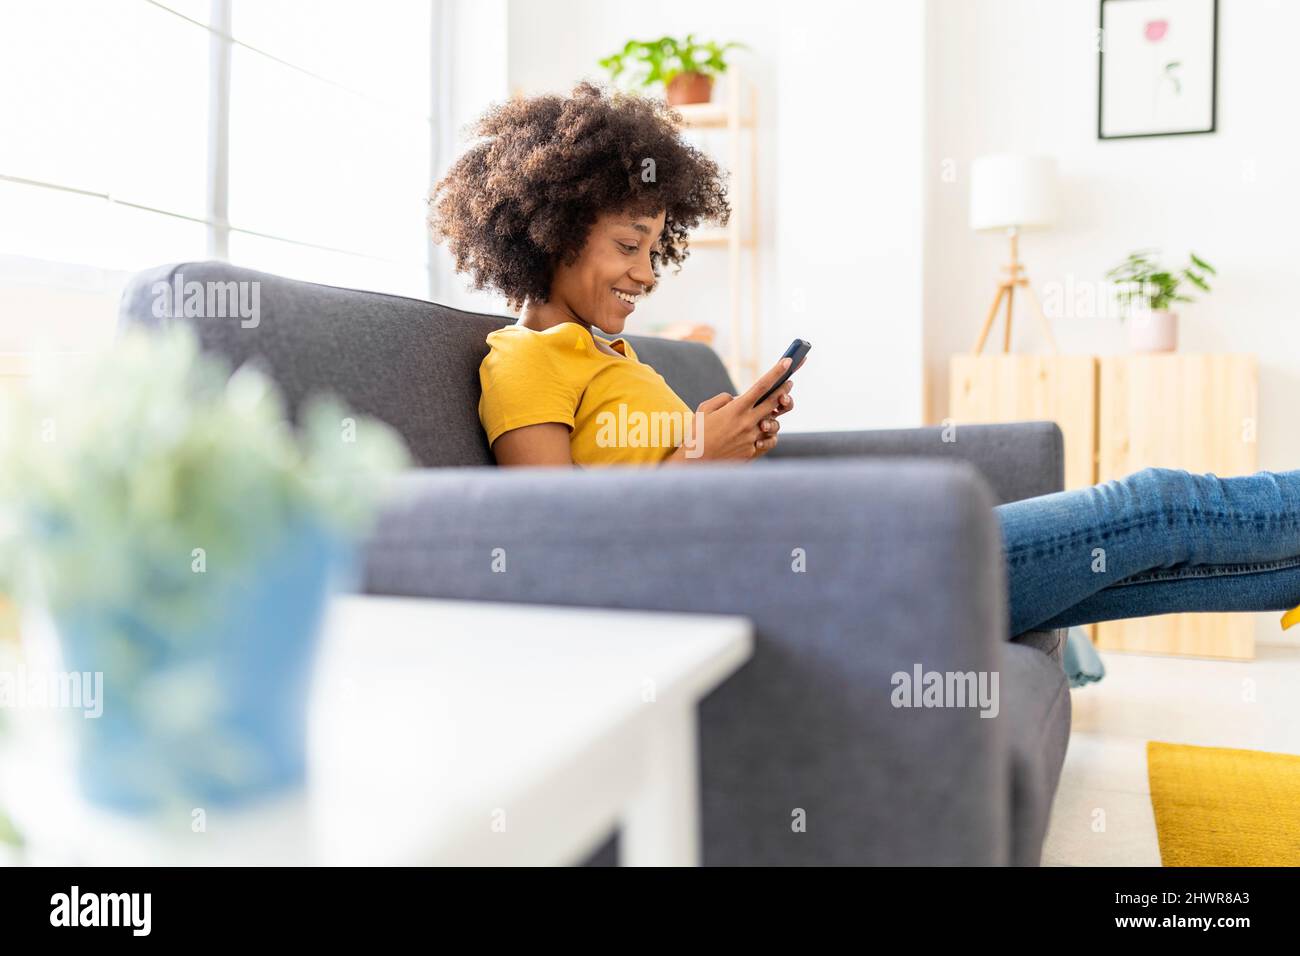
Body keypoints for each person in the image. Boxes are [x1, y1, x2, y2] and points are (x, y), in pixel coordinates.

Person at [429, 82, 1300, 639]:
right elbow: (549, 544)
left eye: (657, 249)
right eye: (629, 245)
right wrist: (699, 454)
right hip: (810, 589)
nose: (645, 274)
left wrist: (718, 441)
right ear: (546, 227)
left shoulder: (610, 355)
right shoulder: (526, 361)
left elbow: (650, 480)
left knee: (1143, 568)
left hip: (806, 558)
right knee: (1152, 508)